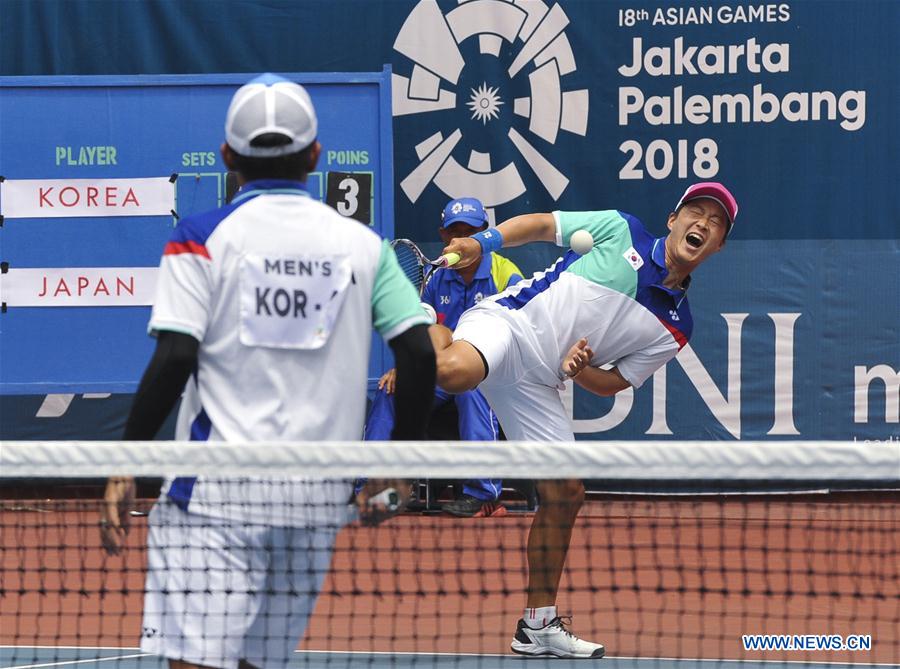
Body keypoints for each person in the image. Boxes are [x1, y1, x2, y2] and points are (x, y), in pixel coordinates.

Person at [99, 73, 436, 669]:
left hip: (214, 495)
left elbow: (176, 356)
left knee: (195, 663)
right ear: (316, 156)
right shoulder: (366, 246)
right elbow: (417, 354)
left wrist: (125, 462)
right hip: (315, 498)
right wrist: (401, 466)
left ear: (228, 157)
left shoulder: (199, 238)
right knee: (261, 662)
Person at [429, 182, 738, 658]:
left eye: (716, 223)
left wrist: (580, 369)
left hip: (538, 385)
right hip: (509, 324)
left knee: (566, 493)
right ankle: (428, 320)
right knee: (454, 374)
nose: (703, 223)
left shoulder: (678, 325)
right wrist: (483, 242)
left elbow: (611, 383)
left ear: (718, 247)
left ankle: (537, 625)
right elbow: (541, 225)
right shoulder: (621, 229)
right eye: (696, 212)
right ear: (673, 219)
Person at [365, 197, 523, 517]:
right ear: (443, 236)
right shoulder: (436, 278)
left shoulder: (507, 275)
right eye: (455, 233)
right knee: (391, 391)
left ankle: (482, 493)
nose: (461, 240)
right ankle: (374, 487)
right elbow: (425, 332)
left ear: (484, 234)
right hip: (443, 371)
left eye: (471, 232)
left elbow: (521, 334)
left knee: (471, 388)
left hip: (492, 373)